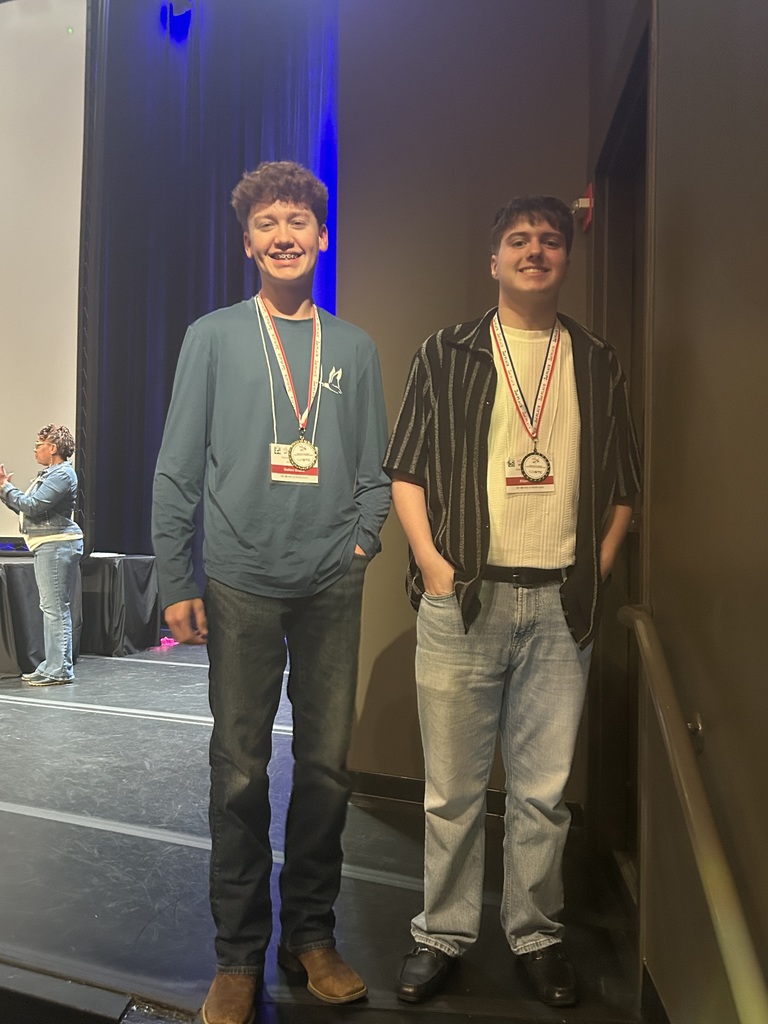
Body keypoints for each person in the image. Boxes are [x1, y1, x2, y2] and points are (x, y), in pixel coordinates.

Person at [384, 196, 641, 1008]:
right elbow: (406, 469)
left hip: (563, 607)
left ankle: (536, 934)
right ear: (493, 260)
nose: (536, 251)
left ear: (566, 258)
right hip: (465, 597)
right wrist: (432, 565)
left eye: (551, 240)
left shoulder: (596, 359)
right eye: (519, 240)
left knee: (542, 795)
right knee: (452, 792)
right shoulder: (446, 351)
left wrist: (598, 564)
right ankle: (441, 934)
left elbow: (624, 485)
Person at [152, 161, 391, 1024]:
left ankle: (311, 936)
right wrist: (175, 574)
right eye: (266, 223)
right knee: (240, 771)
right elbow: (178, 467)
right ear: (248, 242)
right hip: (240, 581)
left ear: (322, 236)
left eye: (297, 221)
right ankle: (238, 955)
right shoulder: (212, 336)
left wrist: (361, 543)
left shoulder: (354, 348)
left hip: (330, 581)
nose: (283, 235)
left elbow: (375, 472)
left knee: (326, 768)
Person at [0, 425, 83, 685]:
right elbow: (27, 510)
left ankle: (59, 670)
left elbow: (33, 506)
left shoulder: (62, 475)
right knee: (50, 608)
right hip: (48, 544)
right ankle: (52, 665)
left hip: (56, 545)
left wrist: (6, 488)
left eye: (40, 445)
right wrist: (5, 491)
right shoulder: (52, 474)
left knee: (55, 609)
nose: (36, 450)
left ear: (53, 448)